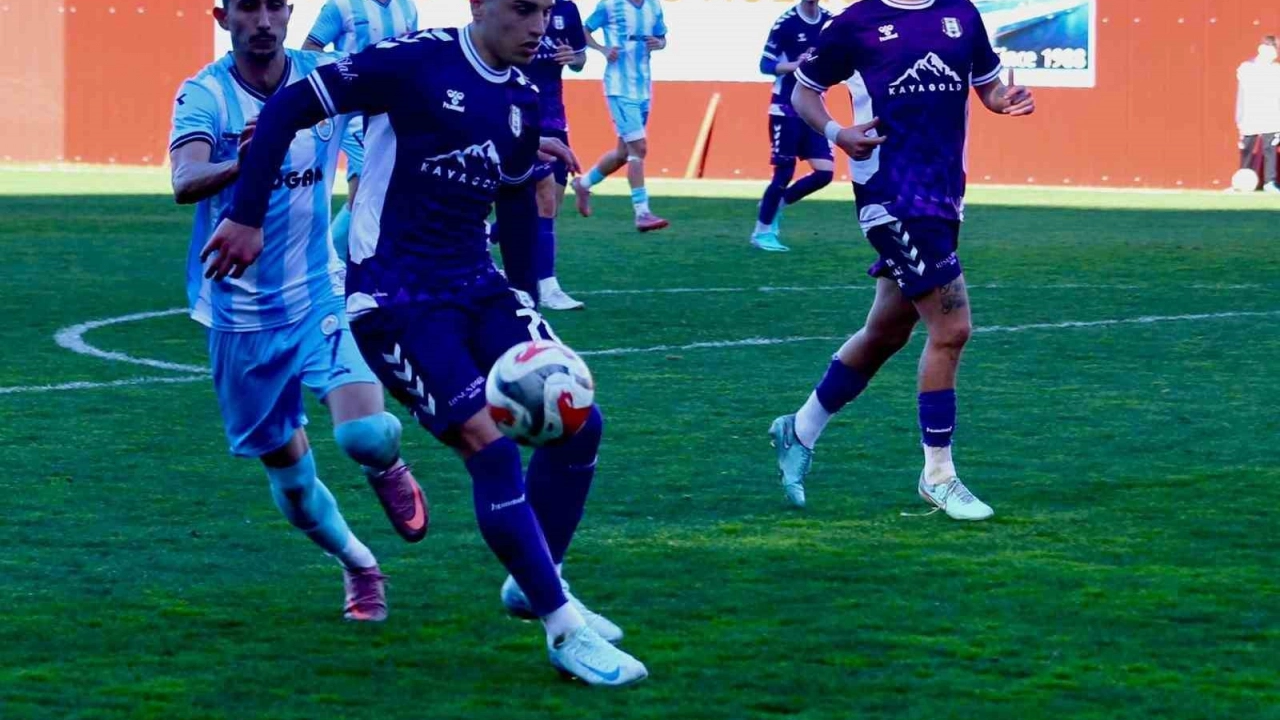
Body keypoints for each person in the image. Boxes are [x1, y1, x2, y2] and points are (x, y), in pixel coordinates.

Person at [200, 0, 647, 686]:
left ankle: (537, 581)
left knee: (581, 423)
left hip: (480, 288)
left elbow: (515, 202)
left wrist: (526, 303)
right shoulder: (412, 62)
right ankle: (565, 630)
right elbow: (289, 106)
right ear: (479, 5)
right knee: (491, 449)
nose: (538, 27)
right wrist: (247, 217)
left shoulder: (523, 97)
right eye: (522, 10)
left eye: (543, 11)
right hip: (396, 300)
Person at [168, 0, 427, 622]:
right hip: (237, 315)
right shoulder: (205, 93)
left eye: (274, 6)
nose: (262, 20)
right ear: (222, 17)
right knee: (293, 484)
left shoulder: (323, 79)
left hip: (319, 291)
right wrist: (247, 160)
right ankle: (359, 564)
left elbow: (419, 99)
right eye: (247, 7)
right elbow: (184, 178)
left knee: (365, 434)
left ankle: (389, 462)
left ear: (289, 12)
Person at [769, 0, 1034, 519]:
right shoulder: (856, 22)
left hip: (943, 196)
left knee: (886, 332)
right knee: (952, 328)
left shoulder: (962, 14)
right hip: (889, 196)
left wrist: (1003, 99)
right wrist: (837, 134)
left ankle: (798, 430)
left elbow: (988, 87)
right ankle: (938, 476)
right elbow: (804, 91)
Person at [302, 0, 422, 257]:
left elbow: (413, 54)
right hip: (353, 115)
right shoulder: (340, 6)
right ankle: (335, 259)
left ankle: (348, 259)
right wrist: (344, 73)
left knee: (376, 190)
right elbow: (310, 49)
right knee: (366, 191)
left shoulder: (407, 7)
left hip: (390, 115)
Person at [498, 0, 589, 310]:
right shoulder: (515, 6)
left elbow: (580, 59)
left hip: (553, 117)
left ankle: (489, 236)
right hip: (517, 112)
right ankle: (547, 285)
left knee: (548, 203)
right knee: (544, 198)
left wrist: (573, 57)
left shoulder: (567, 9)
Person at [570, 0, 669, 232]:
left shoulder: (654, 6)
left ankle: (583, 184)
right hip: (619, 88)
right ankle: (642, 212)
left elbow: (662, 38)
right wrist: (602, 49)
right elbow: (583, 31)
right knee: (639, 148)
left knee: (624, 153)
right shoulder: (610, 5)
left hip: (643, 88)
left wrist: (659, 43)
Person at [751, 0, 834, 252]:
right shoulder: (786, 23)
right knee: (784, 172)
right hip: (785, 108)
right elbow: (765, 65)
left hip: (814, 109)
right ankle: (762, 233)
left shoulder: (829, 21)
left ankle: (777, 203)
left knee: (825, 173)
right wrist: (796, 66)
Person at [1235, 36, 1280, 193]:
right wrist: (1239, 118)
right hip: (1251, 116)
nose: (1275, 54)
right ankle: (1241, 182)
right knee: (1247, 149)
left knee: (1270, 150)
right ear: (1262, 48)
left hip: (1272, 117)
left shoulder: (1277, 71)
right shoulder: (1246, 69)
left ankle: (1269, 182)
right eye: (1273, 50)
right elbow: (1241, 95)